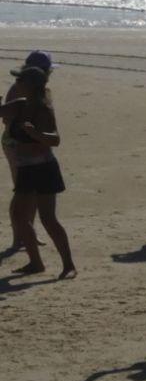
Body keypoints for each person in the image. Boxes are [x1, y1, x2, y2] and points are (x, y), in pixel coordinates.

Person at [2, 65, 76, 277]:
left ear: (31, 86)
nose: (16, 84)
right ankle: (36, 263)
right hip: (25, 168)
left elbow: (55, 140)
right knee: (19, 216)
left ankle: (69, 265)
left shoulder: (43, 109)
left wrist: (35, 133)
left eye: (20, 81)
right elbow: (2, 112)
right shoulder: (19, 105)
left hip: (44, 168)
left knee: (48, 218)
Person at [5, 50, 52, 254]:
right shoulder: (18, 89)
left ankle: (28, 234)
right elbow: (7, 119)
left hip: (34, 144)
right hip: (15, 143)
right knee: (22, 192)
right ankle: (19, 238)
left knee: (31, 193)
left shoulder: (42, 90)